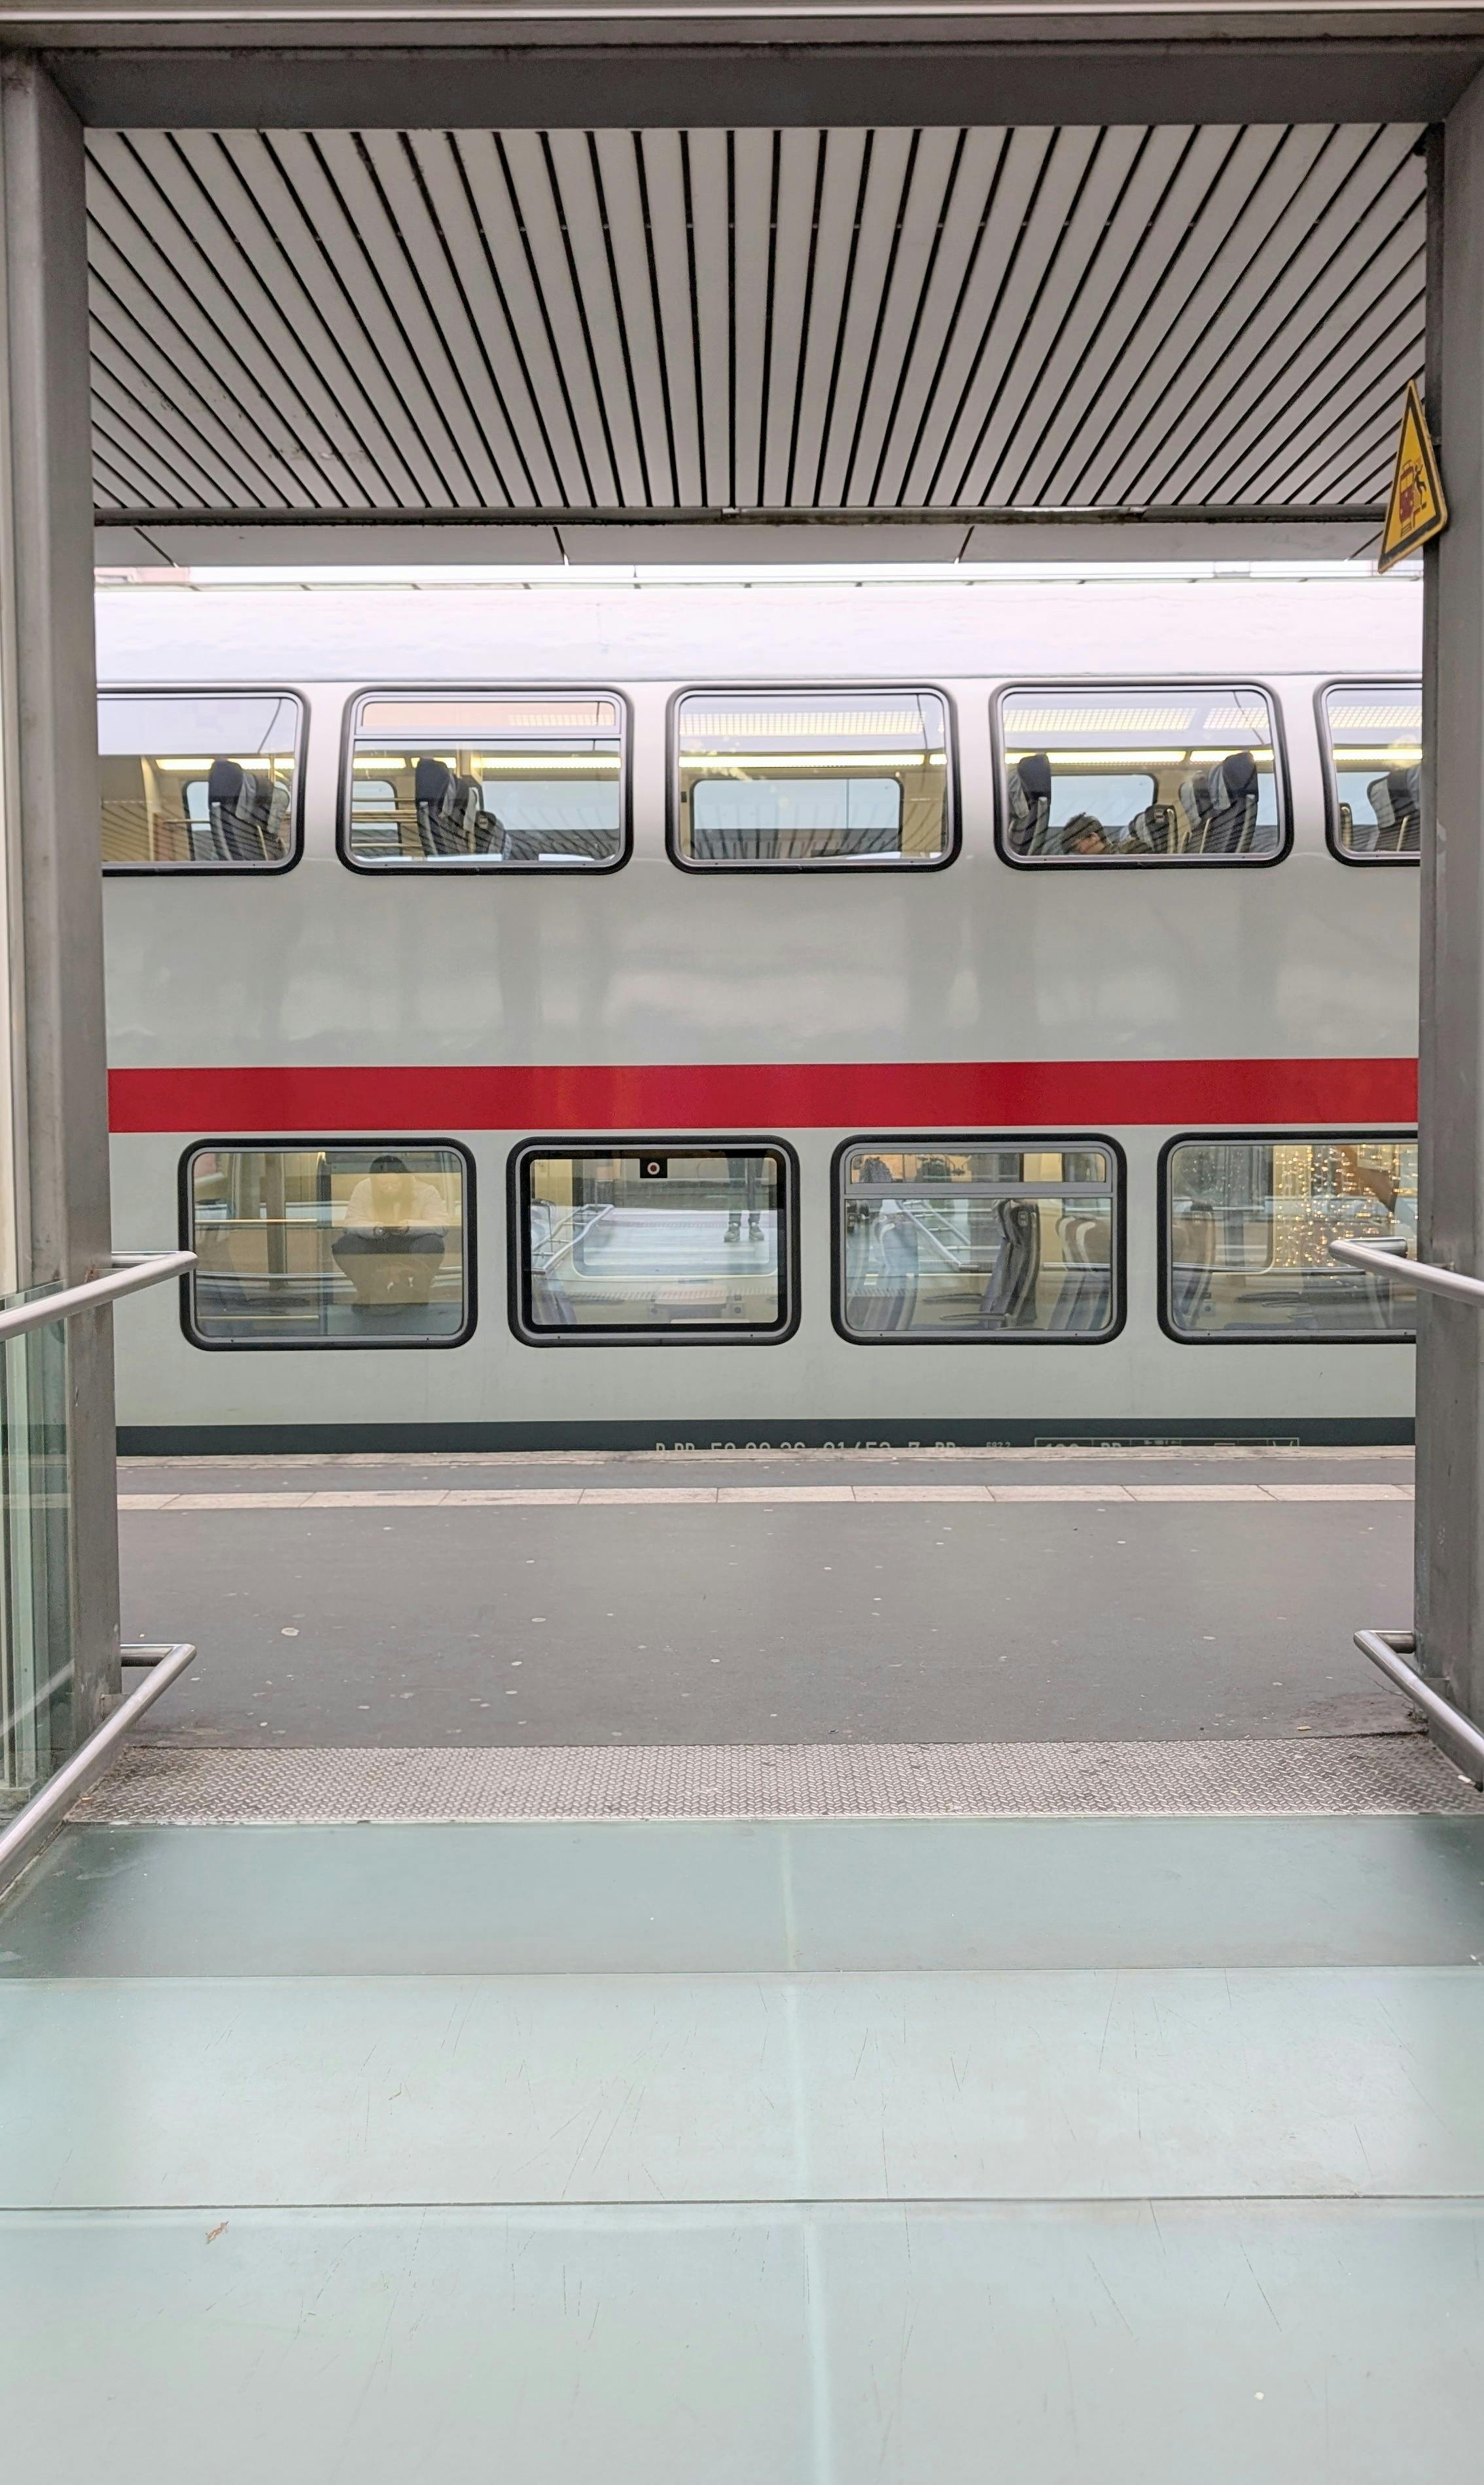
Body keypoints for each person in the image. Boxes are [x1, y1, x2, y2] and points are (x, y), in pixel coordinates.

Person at [332, 1154, 448, 1306]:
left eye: (394, 1183)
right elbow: (350, 1223)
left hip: (412, 1242)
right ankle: (366, 1291)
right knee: (345, 1245)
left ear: (405, 1180)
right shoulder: (363, 1189)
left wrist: (410, 1226)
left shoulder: (426, 1191)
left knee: (433, 1244)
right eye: (383, 1184)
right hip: (374, 1242)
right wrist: (374, 1229)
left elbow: (442, 1224)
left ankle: (419, 1292)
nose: (389, 1188)